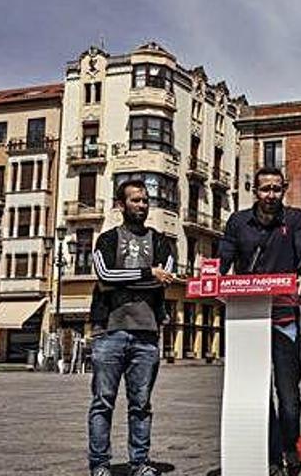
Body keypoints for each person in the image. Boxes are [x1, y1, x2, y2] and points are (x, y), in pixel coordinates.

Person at [218, 166, 301, 476]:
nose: (270, 195)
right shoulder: (237, 222)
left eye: (276, 189)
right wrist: (212, 278)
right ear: (255, 191)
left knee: (288, 393)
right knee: (256, 391)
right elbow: (224, 258)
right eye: (265, 189)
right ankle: (271, 454)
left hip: (285, 317)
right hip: (247, 320)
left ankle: (290, 448)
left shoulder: (296, 219)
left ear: (284, 189)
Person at [87, 179, 175, 476]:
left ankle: (140, 463)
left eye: (145, 200)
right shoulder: (107, 239)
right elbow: (103, 275)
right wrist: (148, 272)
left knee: (141, 404)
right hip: (108, 331)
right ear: (121, 205)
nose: (142, 205)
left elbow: (166, 277)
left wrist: (126, 278)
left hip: (147, 333)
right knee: (102, 403)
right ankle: (99, 465)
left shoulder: (163, 241)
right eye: (136, 200)